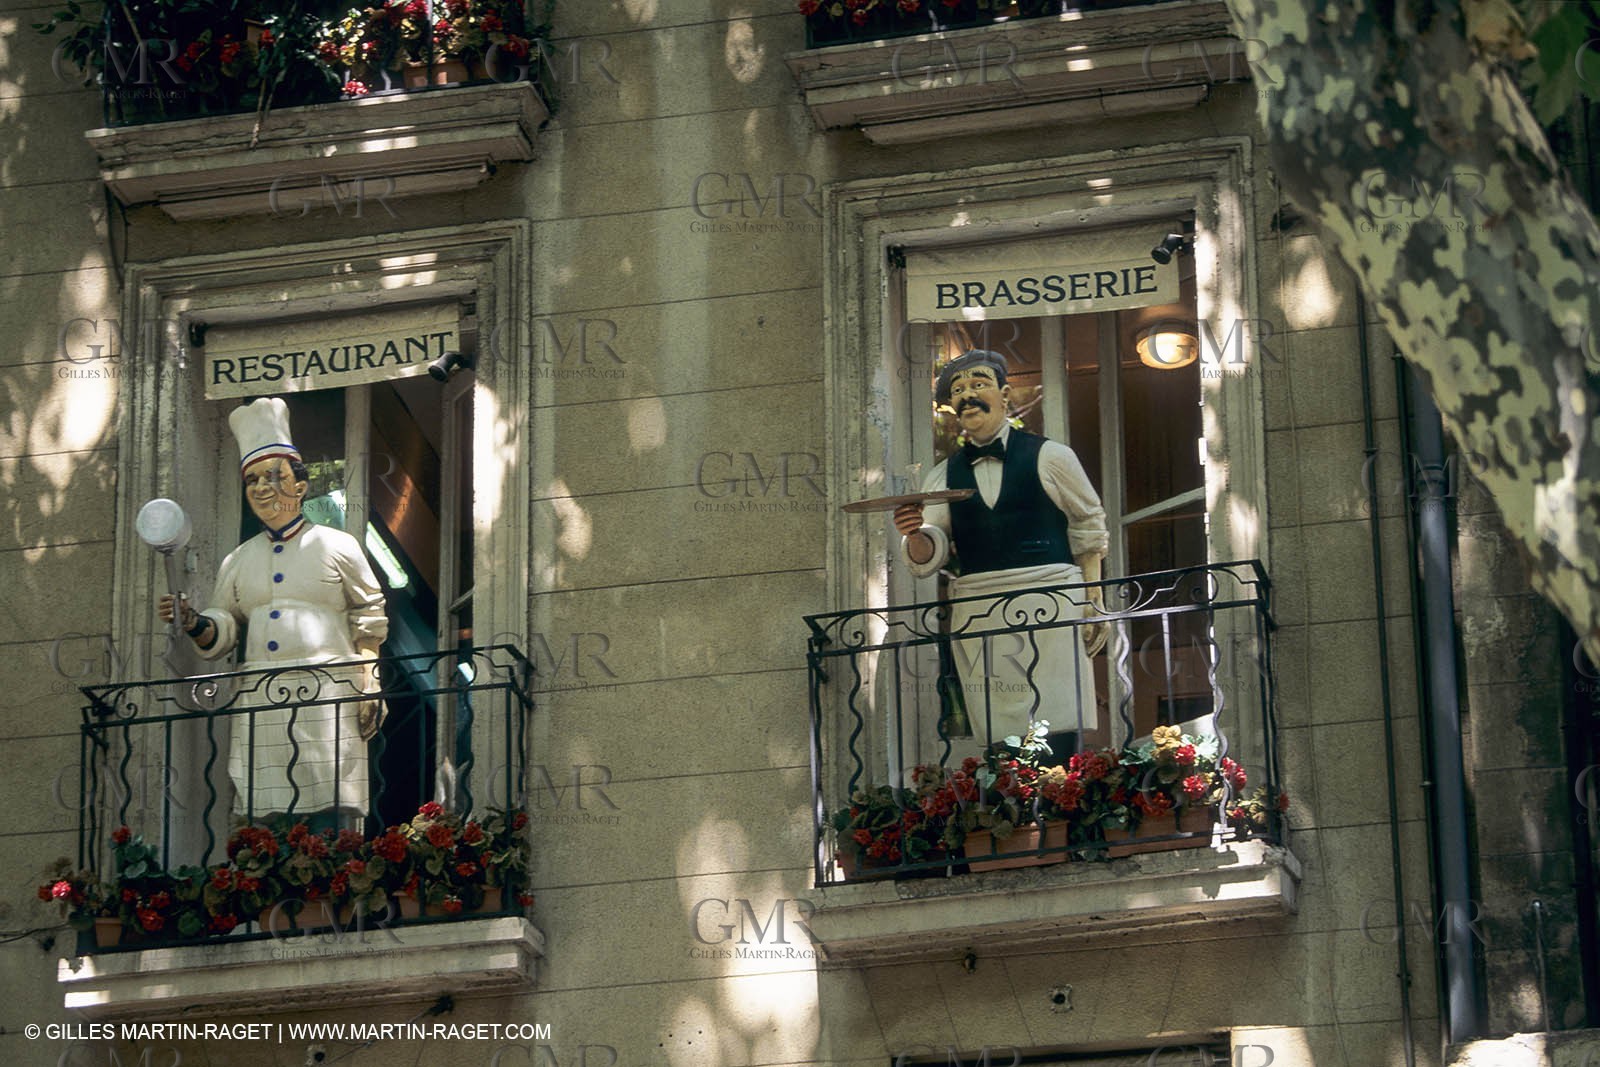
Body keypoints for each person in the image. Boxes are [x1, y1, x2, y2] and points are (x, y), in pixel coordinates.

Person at [159, 397, 388, 829]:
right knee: (267, 817)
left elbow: (369, 613)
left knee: (330, 810)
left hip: (328, 695)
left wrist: (369, 680)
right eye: (252, 480)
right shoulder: (238, 560)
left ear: (300, 486)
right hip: (262, 700)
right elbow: (222, 628)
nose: (262, 488)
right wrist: (192, 622)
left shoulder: (338, 545)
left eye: (274, 476)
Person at [893, 349, 1109, 759]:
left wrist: (1092, 598)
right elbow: (929, 554)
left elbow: (1088, 525)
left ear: (1006, 395)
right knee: (999, 721)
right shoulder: (941, 476)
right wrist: (913, 532)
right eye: (958, 391)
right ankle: (1009, 791)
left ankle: (1062, 788)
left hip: (1053, 597)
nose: (968, 396)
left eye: (979, 385)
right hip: (980, 606)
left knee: (1059, 709)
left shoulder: (1052, 456)